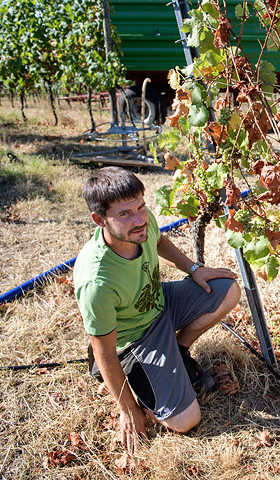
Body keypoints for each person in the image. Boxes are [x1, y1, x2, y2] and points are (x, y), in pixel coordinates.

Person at [74, 166, 240, 454]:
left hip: (159, 304)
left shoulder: (142, 224)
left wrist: (193, 268)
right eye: (125, 213)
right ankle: (139, 376)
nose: (139, 219)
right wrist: (127, 409)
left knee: (228, 288)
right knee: (187, 420)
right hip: (134, 339)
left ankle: (177, 349)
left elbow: (160, 240)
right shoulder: (96, 280)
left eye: (140, 206)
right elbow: (103, 350)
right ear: (99, 219)